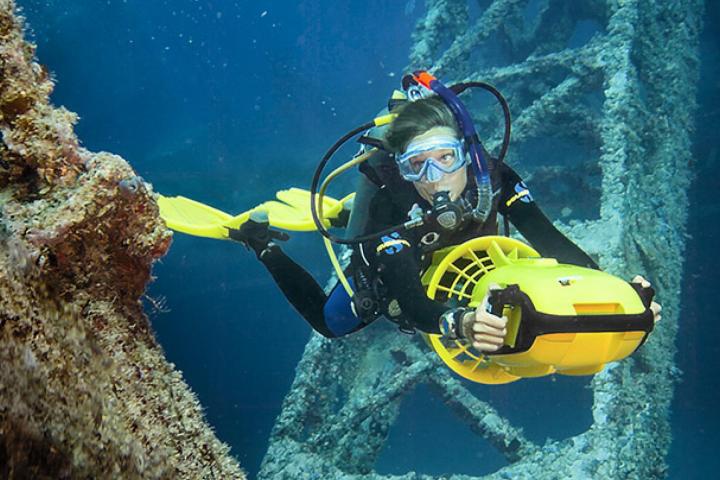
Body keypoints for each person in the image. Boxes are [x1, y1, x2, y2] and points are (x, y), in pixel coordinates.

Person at [229, 95, 661, 352]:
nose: (435, 179)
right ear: (401, 170)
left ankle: (342, 210)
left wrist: (615, 294)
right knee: (331, 323)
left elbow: (551, 241)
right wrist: (461, 324)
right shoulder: (390, 210)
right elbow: (413, 303)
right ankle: (263, 245)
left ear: (466, 153)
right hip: (399, 264)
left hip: (464, 260)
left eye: (445, 159)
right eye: (417, 166)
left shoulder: (494, 178)